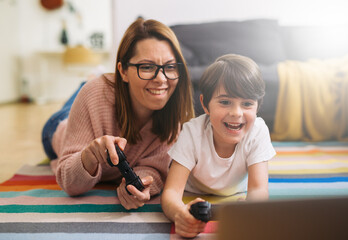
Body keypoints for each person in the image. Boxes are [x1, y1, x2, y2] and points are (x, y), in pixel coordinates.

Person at [41, 18, 194, 210]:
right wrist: (90, 155)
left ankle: (87, 80)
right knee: (84, 93)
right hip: (57, 127)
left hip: (105, 93)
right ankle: (86, 82)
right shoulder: (94, 95)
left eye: (170, 67)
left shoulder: (176, 114)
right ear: (122, 71)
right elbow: (70, 183)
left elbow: (155, 167)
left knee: (89, 88)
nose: (161, 79)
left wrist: (139, 185)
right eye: (146, 67)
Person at [161, 54, 276, 238]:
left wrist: (250, 213)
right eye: (225, 102)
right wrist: (179, 214)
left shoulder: (258, 131)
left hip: (236, 191)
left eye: (247, 104)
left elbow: (258, 190)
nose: (236, 113)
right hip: (193, 192)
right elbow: (171, 192)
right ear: (205, 105)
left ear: (257, 107)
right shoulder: (192, 133)